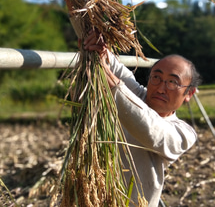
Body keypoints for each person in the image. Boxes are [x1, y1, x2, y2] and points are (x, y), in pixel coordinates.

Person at [83, 31, 202, 207]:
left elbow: (151, 129)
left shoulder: (183, 133)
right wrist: (95, 44)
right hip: (91, 197)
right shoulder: (136, 93)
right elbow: (108, 60)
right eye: (156, 77)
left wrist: (114, 84)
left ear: (189, 93)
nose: (161, 88)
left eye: (172, 82)